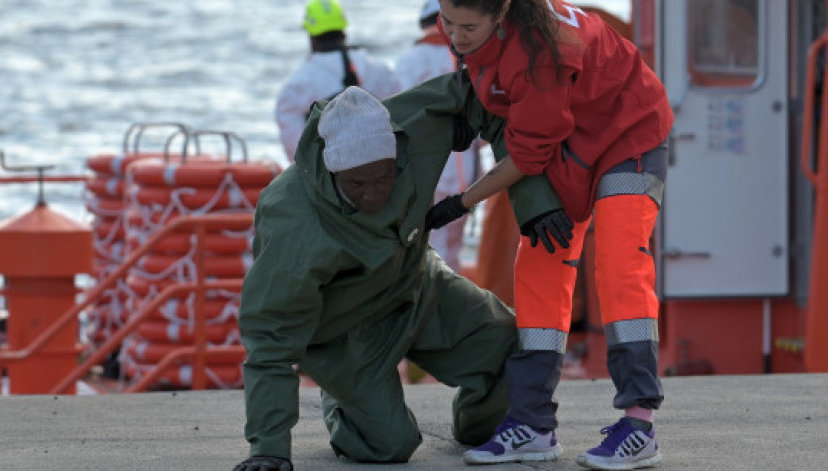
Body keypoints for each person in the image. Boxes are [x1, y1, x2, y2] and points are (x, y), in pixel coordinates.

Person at [231, 78, 562, 471]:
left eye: (384, 178)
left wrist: (535, 204)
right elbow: (270, 335)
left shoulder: (420, 124)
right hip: (345, 332)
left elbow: (493, 99)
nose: (373, 193)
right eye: (357, 183)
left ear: (398, 153)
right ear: (333, 170)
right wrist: (269, 448)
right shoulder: (292, 221)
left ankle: (478, 426)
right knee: (389, 446)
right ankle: (342, 400)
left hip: (415, 281)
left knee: (514, 347)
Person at [424, 0, 673, 469]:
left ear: (503, 14)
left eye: (468, 27)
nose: (455, 36)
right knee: (538, 266)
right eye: (448, 22)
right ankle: (533, 425)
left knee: (620, 266)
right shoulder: (481, 30)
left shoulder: (541, 52)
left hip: (630, 135)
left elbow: (525, 158)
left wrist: (460, 203)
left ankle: (639, 426)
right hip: (572, 140)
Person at [393, 0, 482, 273]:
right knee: (451, 252)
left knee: (427, 251)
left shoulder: (408, 62)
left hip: (425, 172)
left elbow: (398, 121)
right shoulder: (475, 57)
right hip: (469, 176)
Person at [274, 0, 402, 161]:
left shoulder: (297, 85)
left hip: (332, 174)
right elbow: (400, 116)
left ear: (312, 37)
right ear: (343, 31)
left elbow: (296, 151)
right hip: (380, 167)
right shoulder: (378, 70)